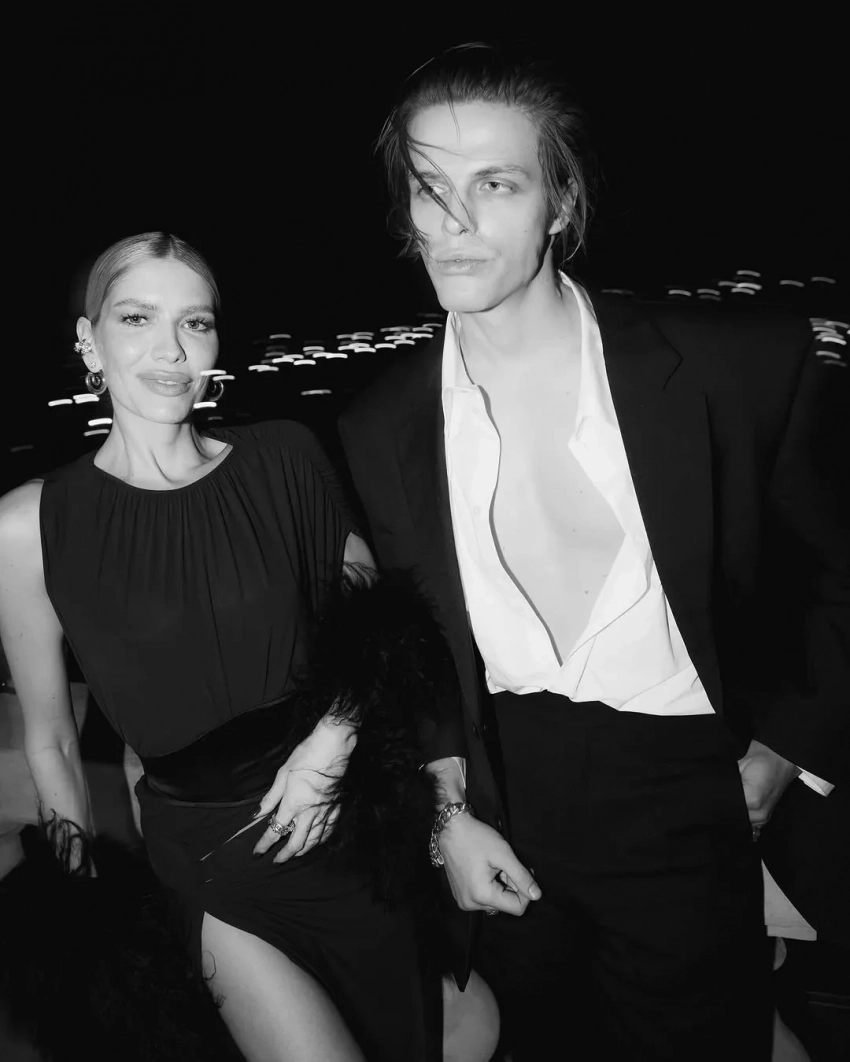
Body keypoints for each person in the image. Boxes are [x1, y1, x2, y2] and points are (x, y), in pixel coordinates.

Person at [338, 42, 850, 1061]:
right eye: (430, 187)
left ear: (560, 204)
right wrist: (444, 815)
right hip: (503, 802)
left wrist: (785, 751)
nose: (454, 221)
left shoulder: (737, 368)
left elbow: (836, 574)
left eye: (496, 184)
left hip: (687, 792)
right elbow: (419, 648)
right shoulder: (378, 423)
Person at [0, 231, 498, 1062]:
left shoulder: (284, 457)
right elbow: (49, 738)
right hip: (209, 861)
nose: (170, 349)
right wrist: (83, 916)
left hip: (348, 824)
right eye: (136, 318)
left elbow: (383, 625)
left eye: (195, 322)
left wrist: (331, 748)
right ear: (89, 341)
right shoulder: (29, 526)